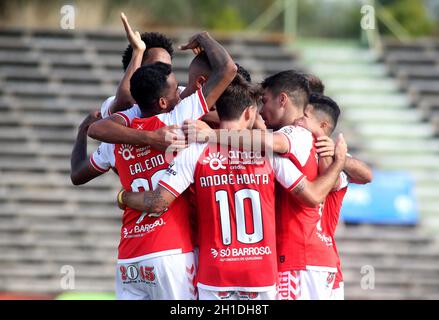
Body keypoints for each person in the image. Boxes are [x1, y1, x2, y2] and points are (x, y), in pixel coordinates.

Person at [118, 75, 347, 300]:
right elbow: (312, 195)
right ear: (249, 113)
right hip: (260, 273)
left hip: (215, 273)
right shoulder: (270, 155)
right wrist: (339, 162)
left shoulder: (196, 150)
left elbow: (159, 201)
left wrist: (122, 197)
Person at [71, 31, 237, 300]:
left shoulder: (119, 130)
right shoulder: (181, 117)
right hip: (170, 253)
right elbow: (227, 69)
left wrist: (83, 129)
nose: (180, 93)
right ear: (162, 101)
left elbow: (80, 170)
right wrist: (203, 38)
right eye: (175, 90)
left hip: (130, 257)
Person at [294, 93, 373, 300]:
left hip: (314, 262)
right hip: (314, 260)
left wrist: (340, 159)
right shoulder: (296, 144)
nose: (299, 118)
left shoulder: (331, 156)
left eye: (305, 114)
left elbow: (366, 174)